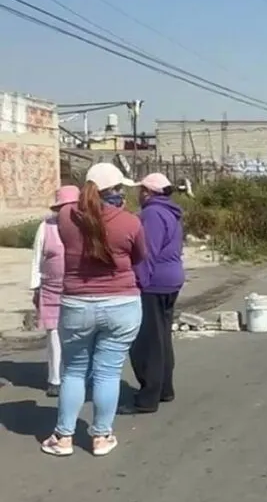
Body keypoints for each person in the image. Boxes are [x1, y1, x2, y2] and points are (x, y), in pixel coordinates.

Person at [41, 162, 146, 458]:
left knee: (74, 371)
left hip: (77, 303)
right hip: (122, 304)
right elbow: (139, 256)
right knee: (108, 373)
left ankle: (63, 437)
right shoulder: (130, 222)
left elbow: (70, 234)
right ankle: (101, 436)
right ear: (113, 191)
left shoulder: (65, 216)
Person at [123, 173, 185, 414]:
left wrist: (140, 282)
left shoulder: (152, 214)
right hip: (171, 279)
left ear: (148, 192)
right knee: (161, 338)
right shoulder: (171, 211)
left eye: (141, 190)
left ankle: (148, 396)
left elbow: (146, 252)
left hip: (155, 282)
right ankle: (164, 388)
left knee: (147, 341)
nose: (138, 194)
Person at [29, 185, 80, 397]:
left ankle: (76, 375)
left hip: (78, 288)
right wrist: (36, 287)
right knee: (54, 334)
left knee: (77, 334)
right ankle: (55, 379)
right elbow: (37, 259)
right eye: (63, 207)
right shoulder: (46, 227)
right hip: (50, 289)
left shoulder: (84, 226)